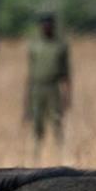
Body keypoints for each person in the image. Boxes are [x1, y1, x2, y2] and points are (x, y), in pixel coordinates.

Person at [25, 13, 71, 149]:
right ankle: (36, 149)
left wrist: (67, 95)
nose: (46, 27)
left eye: (49, 25)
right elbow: (30, 73)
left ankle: (60, 148)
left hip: (53, 87)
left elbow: (66, 72)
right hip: (37, 87)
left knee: (57, 119)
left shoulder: (60, 45)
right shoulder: (34, 45)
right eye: (44, 25)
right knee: (37, 120)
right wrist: (26, 98)